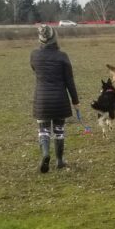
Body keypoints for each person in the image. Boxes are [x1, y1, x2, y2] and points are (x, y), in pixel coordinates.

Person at [30, 24, 79, 173]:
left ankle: (45, 154)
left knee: (43, 130)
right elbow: (69, 81)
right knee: (59, 130)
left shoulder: (34, 55)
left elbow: (34, 69)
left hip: (42, 100)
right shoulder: (62, 56)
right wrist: (75, 101)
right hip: (60, 100)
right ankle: (59, 160)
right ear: (54, 38)